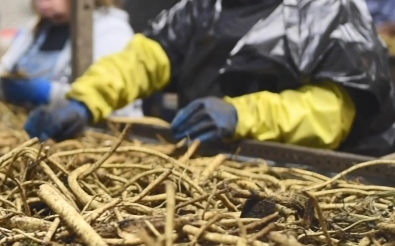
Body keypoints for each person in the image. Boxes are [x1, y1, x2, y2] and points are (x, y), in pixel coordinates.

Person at [24, 0, 395, 157]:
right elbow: (147, 56)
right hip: (212, 164)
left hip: (313, 180)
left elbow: (332, 112)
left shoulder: (328, 9)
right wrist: (85, 101)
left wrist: (242, 117)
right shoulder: (204, 5)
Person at [0, 0, 143, 118]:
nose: (44, 4)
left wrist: (49, 95)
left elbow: (116, 104)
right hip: (30, 130)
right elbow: (4, 78)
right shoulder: (37, 29)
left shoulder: (111, 30)